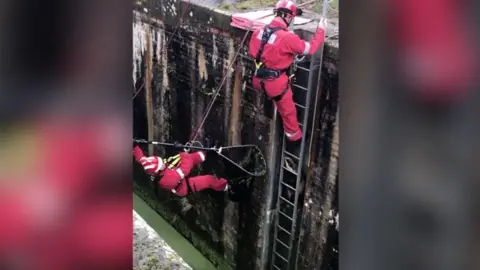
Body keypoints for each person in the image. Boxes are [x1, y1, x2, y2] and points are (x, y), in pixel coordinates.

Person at [249, 0, 325, 141]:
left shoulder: (259, 32)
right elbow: (310, 48)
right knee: (288, 111)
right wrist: (321, 30)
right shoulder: (287, 38)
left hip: (257, 79)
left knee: (276, 97)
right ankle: (294, 138)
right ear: (288, 17)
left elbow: (253, 51)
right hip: (275, 84)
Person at [133, 145, 229, 196]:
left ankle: (206, 153)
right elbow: (185, 170)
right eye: (161, 164)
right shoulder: (167, 179)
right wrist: (183, 153)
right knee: (209, 180)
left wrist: (135, 146)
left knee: (190, 158)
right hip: (185, 186)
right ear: (157, 171)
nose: (162, 163)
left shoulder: (148, 165)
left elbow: (140, 158)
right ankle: (225, 186)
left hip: (175, 173)